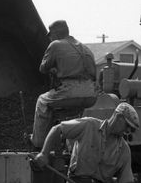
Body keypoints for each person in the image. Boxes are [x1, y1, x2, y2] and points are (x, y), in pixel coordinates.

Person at [30, 20, 99, 148]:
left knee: (42, 101)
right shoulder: (86, 48)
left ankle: (38, 143)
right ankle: (70, 145)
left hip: (70, 91)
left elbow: (43, 68)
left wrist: (54, 69)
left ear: (55, 34)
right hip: (90, 94)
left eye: (50, 36)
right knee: (68, 114)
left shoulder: (56, 45)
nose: (50, 39)